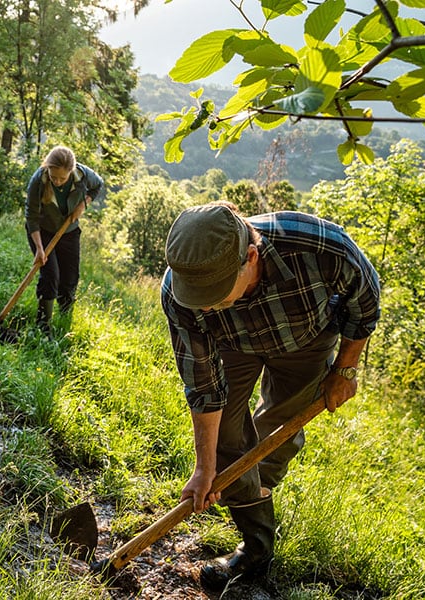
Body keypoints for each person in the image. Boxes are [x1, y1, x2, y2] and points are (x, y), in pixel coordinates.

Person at [161, 201, 381, 589]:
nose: (205, 302)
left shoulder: (321, 247)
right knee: (227, 440)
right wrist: (204, 467)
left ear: (250, 256)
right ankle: (256, 545)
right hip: (233, 344)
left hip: (306, 339)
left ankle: (255, 509)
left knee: (276, 433)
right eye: (197, 294)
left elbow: (364, 305)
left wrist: (344, 369)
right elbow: (205, 386)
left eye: (213, 292)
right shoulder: (182, 293)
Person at [25, 145, 105, 334]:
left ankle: (65, 320)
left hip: (69, 232)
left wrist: (84, 204)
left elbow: (98, 185)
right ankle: (43, 326)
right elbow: (31, 217)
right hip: (42, 233)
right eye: (54, 177)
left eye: (63, 178)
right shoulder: (39, 180)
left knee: (70, 277)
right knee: (50, 275)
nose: (58, 182)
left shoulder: (83, 175)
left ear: (71, 171)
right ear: (48, 169)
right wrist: (38, 248)